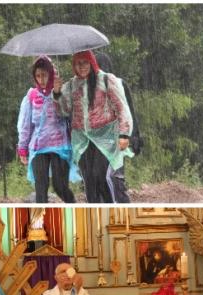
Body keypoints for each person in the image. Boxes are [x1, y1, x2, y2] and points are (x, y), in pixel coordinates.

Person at [53, 50, 134, 203]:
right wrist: (57, 94)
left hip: (105, 137)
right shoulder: (71, 85)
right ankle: (94, 216)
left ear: (91, 62)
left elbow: (121, 107)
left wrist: (124, 134)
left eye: (85, 62)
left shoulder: (105, 80)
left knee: (102, 176)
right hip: (82, 140)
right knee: (89, 179)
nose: (82, 67)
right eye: (78, 63)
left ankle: (112, 212)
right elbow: (63, 111)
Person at [17, 55, 78, 203]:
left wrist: (57, 94)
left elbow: (68, 113)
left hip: (60, 145)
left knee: (60, 186)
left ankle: (75, 209)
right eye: (38, 76)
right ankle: (41, 221)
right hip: (39, 146)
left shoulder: (62, 91)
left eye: (44, 75)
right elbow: (26, 124)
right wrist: (22, 148)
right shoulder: (31, 95)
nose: (41, 79)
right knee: (41, 188)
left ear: (50, 74)